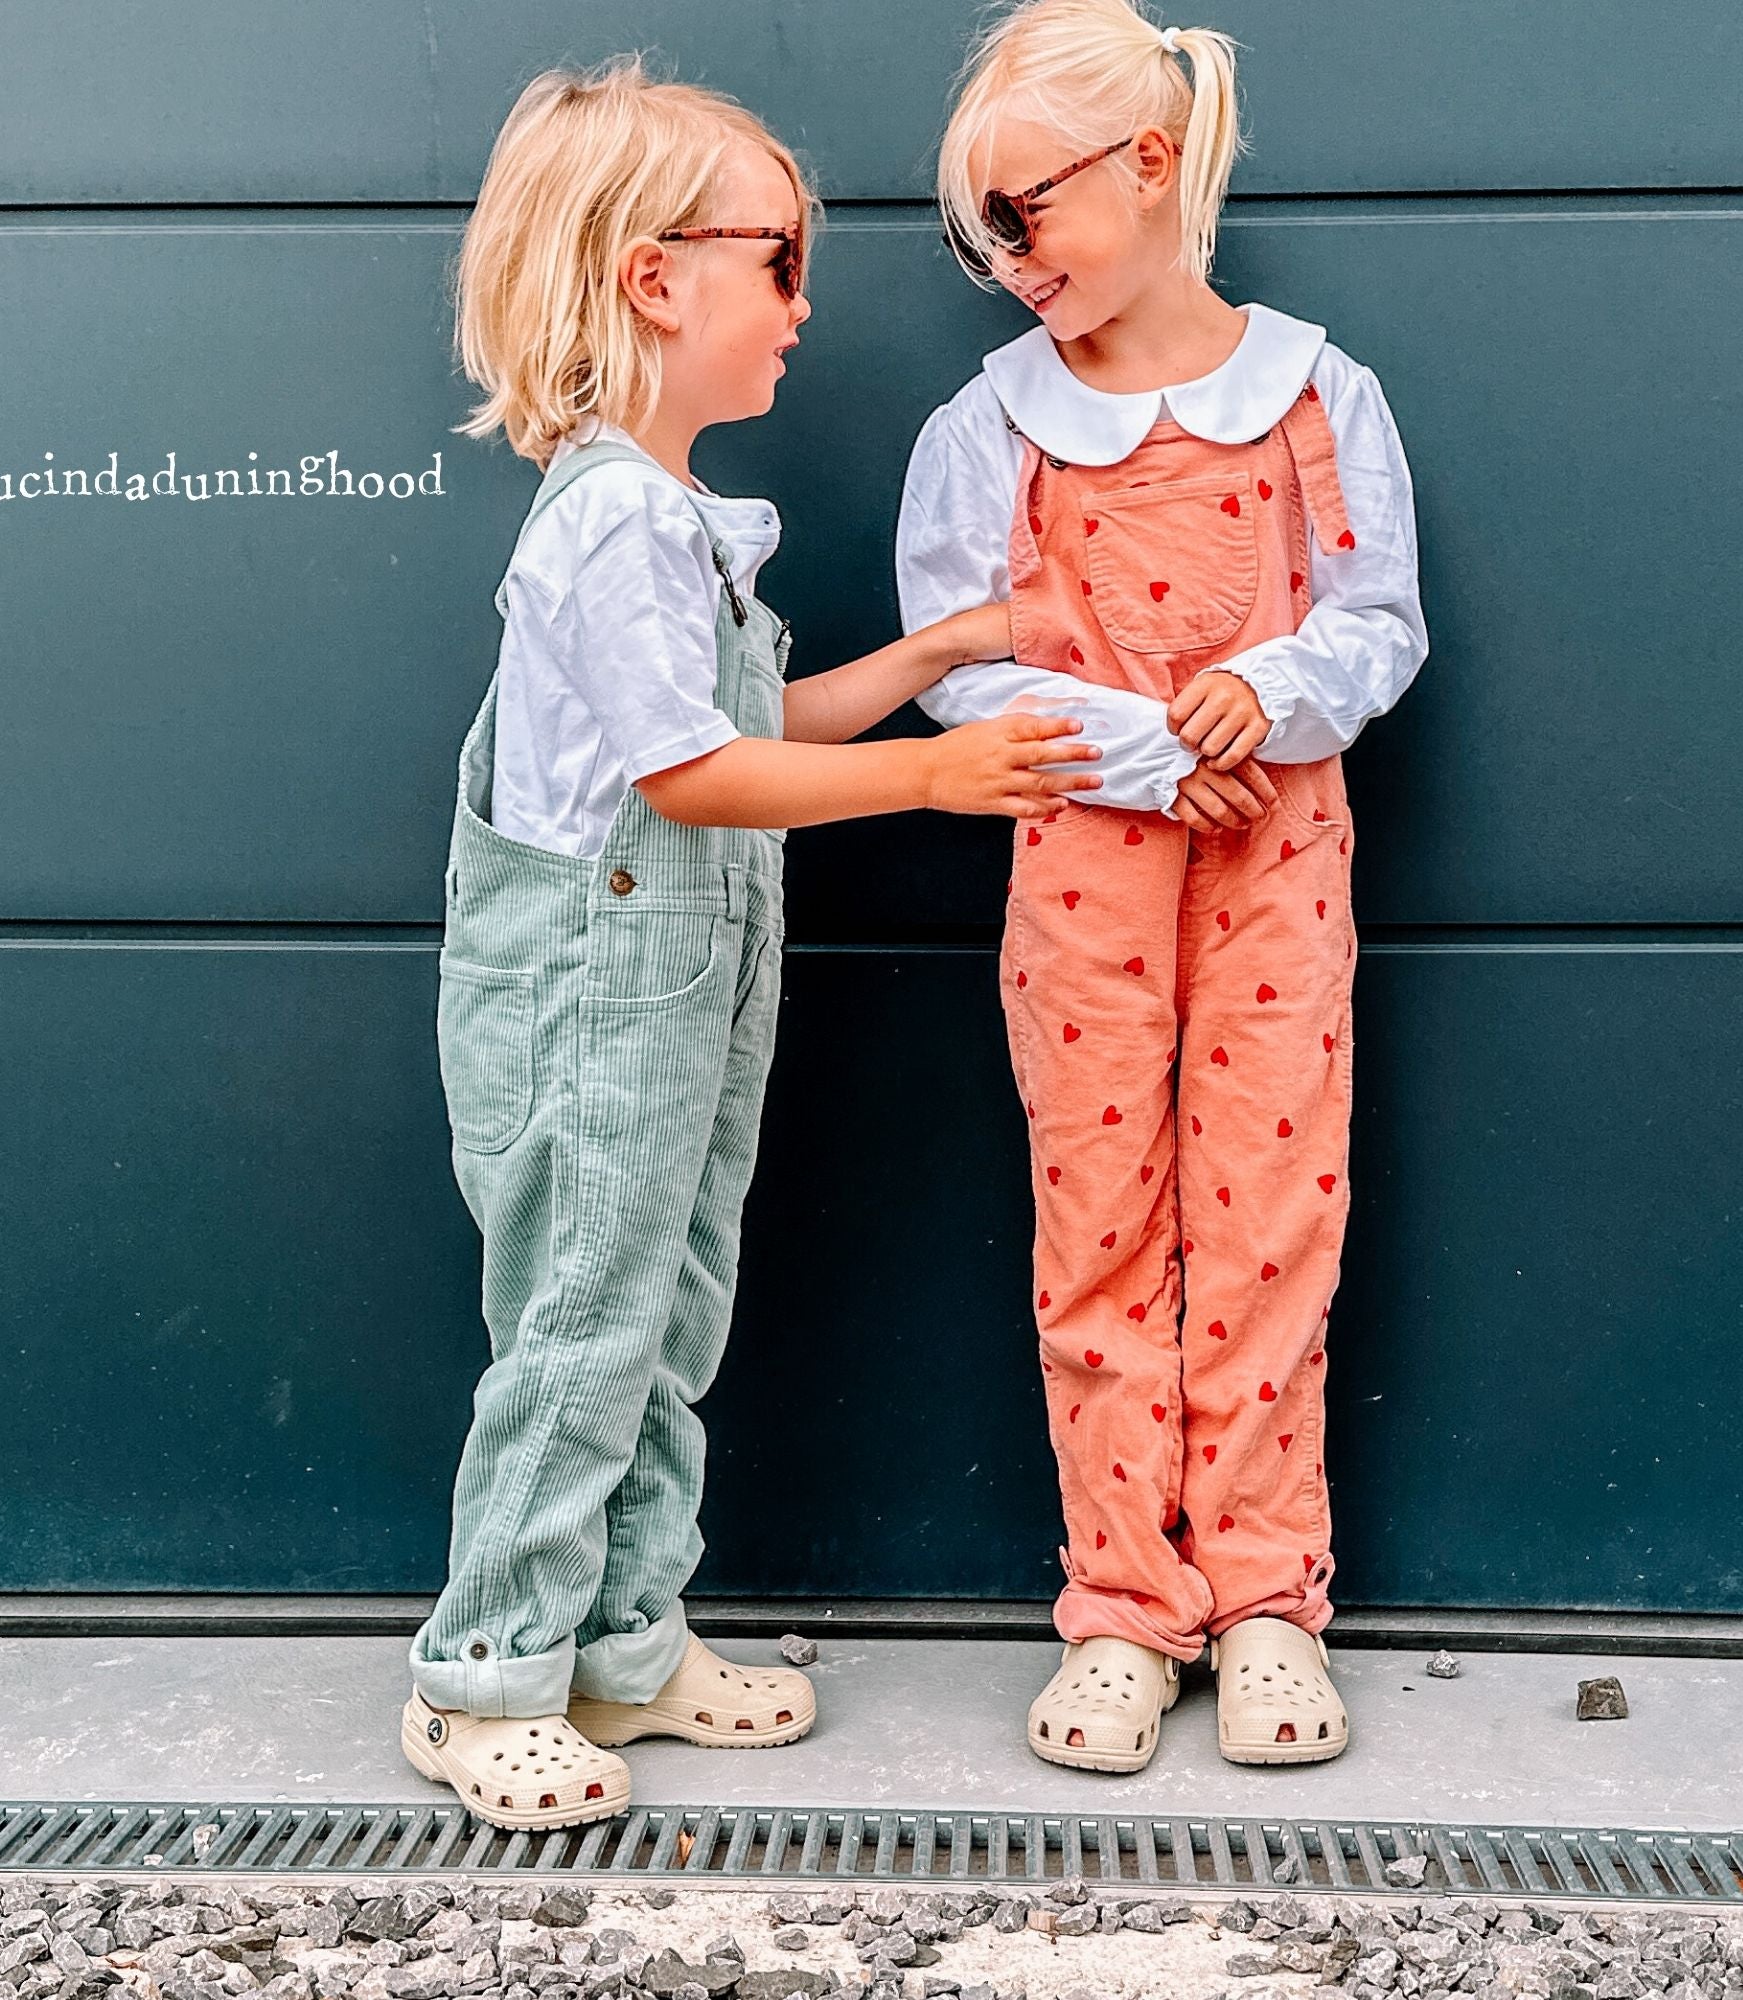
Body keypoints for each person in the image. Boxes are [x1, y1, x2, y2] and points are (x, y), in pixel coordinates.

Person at [405, 56, 1100, 1832]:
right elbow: (697, 776)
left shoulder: (672, 517)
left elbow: (750, 718)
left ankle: (623, 1640)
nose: (802, 303)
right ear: (656, 279)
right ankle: (483, 1673)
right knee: (579, 1328)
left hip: (679, 992)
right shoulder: (612, 518)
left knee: (663, 1319)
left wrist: (935, 655)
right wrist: (934, 775)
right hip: (588, 998)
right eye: (780, 261)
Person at [897, 0, 1428, 1772]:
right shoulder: (993, 423)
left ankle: (1269, 1596)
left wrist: (1271, 691)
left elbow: (1376, 620)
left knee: (1272, 1208)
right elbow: (958, 662)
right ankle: (1124, 1600)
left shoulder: (1318, 394)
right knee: (1099, 1217)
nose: (1006, 258)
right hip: (1085, 876)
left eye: (1022, 211)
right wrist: (1140, 747)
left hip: (1277, 860)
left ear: (1147, 165)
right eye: (977, 231)